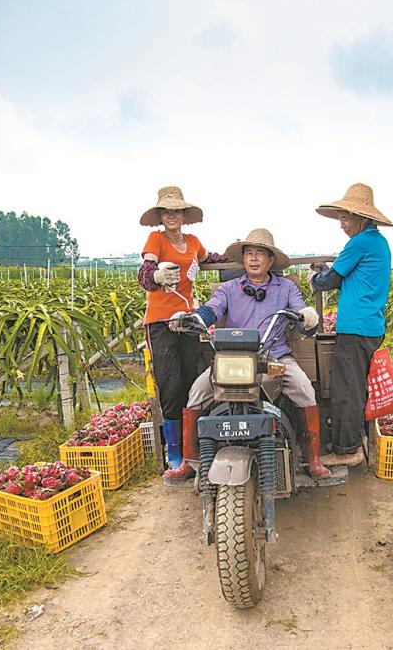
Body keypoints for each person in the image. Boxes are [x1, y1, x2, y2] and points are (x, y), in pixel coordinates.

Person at [172, 228, 330, 480]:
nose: (253, 259)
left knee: (304, 389)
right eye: (248, 253)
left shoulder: (286, 288)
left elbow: (301, 313)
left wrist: (307, 316)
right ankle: (190, 462)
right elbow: (211, 309)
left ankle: (312, 459)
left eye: (260, 254)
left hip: (274, 356)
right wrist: (195, 318)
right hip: (232, 359)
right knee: (198, 391)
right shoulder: (228, 289)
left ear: (271, 260)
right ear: (243, 259)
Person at [137, 186, 224, 481]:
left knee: (191, 379)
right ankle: (174, 453)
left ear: (184, 216)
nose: (172, 216)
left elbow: (209, 257)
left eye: (177, 211)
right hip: (161, 321)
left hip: (187, 318)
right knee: (170, 382)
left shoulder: (194, 241)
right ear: (160, 216)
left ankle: (192, 448)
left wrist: (235, 256)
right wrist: (157, 277)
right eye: (167, 211)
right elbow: (145, 273)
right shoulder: (156, 239)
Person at [309, 183, 393, 467]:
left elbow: (329, 280)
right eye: (341, 219)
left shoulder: (360, 242)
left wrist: (314, 280)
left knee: (347, 389)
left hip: (356, 327)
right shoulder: (378, 242)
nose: (343, 224)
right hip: (370, 325)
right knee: (357, 386)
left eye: (347, 218)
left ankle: (348, 449)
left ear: (363, 218)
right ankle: (355, 443)